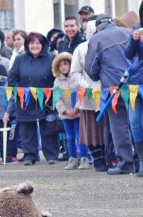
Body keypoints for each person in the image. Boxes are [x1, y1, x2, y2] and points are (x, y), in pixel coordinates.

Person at [85, 14, 135, 175]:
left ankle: (125, 163)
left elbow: (90, 69)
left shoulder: (97, 39)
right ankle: (139, 161)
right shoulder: (129, 32)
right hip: (136, 87)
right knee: (137, 124)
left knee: (119, 127)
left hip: (115, 89)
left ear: (98, 26)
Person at [7, 32, 58, 165]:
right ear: (27, 45)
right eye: (31, 43)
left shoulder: (51, 58)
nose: (34, 46)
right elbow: (12, 78)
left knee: (48, 127)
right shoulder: (20, 59)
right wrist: (20, 91)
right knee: (26, 127)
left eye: (38, 43)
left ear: (43, 45)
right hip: (25, 99)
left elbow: (57, 77)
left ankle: (51, 155)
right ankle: (30, 155)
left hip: (46, 98)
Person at [70, 18, 108, 172]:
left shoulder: (106, 46)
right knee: (92, 131)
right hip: (88, 96)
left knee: (107, 128)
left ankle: (109, 157)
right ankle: (98, 160)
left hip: (107, 94)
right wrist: (89, 87)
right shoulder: (81, 49)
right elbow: (75, 72)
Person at [53, 52, 89, 170]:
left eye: (66, 64)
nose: (63, 67)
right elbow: (56, 98)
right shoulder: (57, 81)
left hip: (78, 113)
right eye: (60, 65)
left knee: (80, 136)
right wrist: (64, 110)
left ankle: (84, 158)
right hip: (66, 115)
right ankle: (72, 158)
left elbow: (83, 93)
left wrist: (77, 107)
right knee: (69, 137)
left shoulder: (77, 78)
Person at [123, 0, 143, 177]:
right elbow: (128, 54)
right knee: (135, 122)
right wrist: (133, 39)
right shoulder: (138, 28)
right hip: (137, 82)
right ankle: (142, 161)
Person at [0, 64, 18, 164]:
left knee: (11, 136)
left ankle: (11, 155)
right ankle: (4, 155)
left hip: (10, 116)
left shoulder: (8, 85)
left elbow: (12, 100)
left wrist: (8, 113)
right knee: (1, 137)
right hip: (0, 116)